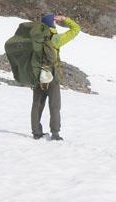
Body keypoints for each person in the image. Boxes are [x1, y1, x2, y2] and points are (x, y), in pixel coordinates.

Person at [31, 13, 81, 141]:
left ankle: (36, 132)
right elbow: (76, 29)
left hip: (38, 75)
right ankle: (55, 133)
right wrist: (65, 19)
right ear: (52, 24)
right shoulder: (56, 39)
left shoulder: (35, 38)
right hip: (52, 75)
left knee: (37, 104)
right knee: (54, 105)